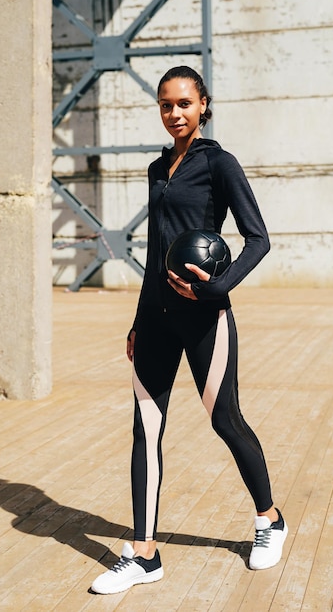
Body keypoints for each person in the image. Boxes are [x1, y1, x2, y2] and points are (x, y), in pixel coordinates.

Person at [91, 65, 288, 595]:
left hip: (203, 316)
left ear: (203, 104)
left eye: (183, 103)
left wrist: (216, 289)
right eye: (165, 105)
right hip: (156, 316)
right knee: (145, 429)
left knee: (224, 420)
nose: (173, 114)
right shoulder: (159, 168)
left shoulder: (218, 163)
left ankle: (269, 519)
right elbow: (156, 252)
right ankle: (145, 553)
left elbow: (258, 238)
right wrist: (137, 319)